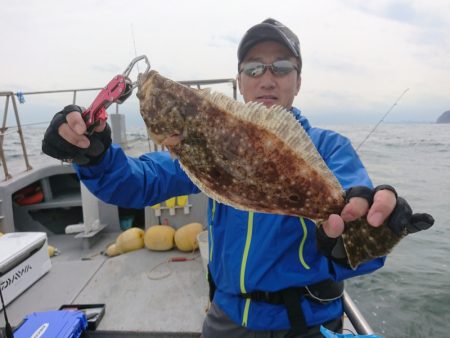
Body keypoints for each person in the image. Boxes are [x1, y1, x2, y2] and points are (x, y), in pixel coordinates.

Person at [42, 18, 433, 338]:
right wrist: (93, 156)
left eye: (281, 67)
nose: (267, 78)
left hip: (305, 324)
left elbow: (357, 222)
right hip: (226, 318)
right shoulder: (205, 146)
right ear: (240, 80)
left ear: (298, 80)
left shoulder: (330, 149)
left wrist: (365, 235)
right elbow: (137, 182)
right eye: (253, 68)